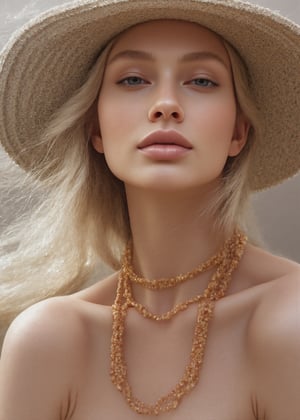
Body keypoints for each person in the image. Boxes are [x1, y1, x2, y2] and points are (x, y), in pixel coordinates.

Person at [0, 0, 299, 418]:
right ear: (95, 129)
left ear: (238, 132)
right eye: (134, 78)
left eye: (201, 81)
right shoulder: (48, 340)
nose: (165, 105)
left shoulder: (289, 321)